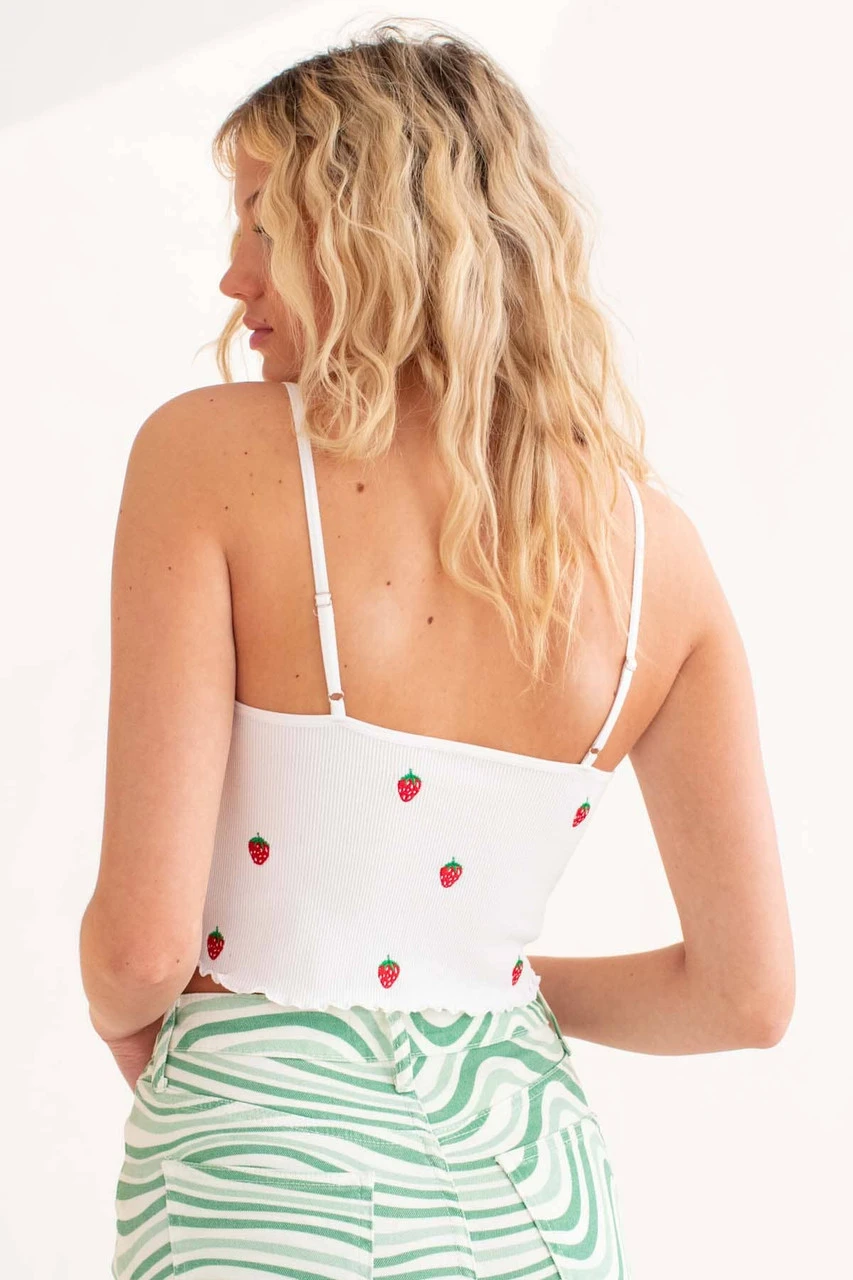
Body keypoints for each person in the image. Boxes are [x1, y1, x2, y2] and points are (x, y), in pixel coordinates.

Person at [79, 19, 795, 1279]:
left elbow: (143, 944)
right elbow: (745, 995)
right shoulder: (658, 556)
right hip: (535, 1185)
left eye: (262, 221)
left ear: (368, 228)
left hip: (266, 1157)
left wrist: (135, 1020)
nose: (234, 277)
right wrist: (467, 989)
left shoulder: (209, 457)